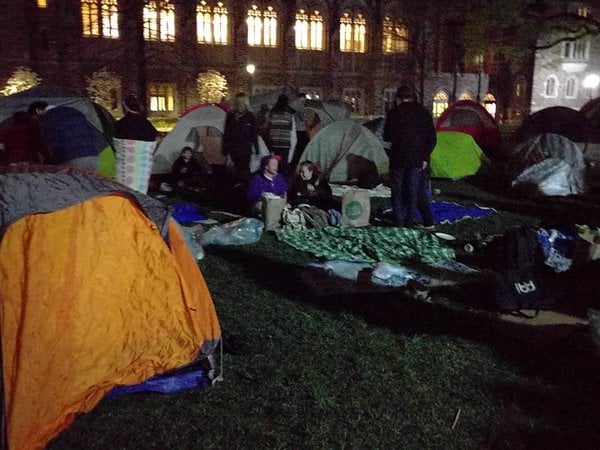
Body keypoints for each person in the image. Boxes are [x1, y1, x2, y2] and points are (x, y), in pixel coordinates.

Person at [383, 85, 436, 229]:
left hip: (398, 158)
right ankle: (409, 221)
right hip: (417, 159)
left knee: (397, 190)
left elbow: (387, 136)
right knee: (413, 191)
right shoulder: (423, 113)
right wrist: (425, 157)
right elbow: (432, 138)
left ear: (398, 99)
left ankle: (398, 221)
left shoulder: (394, 113)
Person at [37, 104, 105, 172]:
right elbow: (91, 132)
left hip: (71, 158)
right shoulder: (74, 112)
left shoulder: (48, 118)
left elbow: (51, 140)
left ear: (38, 111)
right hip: (93, 156)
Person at [223, 92, 258, 182]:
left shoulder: (249, 115)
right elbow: (227, 133)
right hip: (238, 148)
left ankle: (242, 188)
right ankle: (241, 189)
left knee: (242, 170)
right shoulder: (232, 116)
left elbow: (253, 133)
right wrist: (226, 151)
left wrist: (257, 149)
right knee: (240, 170)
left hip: (241, 148)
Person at [267, 94, 296, 175]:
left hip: (275, 141)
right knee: (284, 163)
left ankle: (275, 178)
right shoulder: (288, 114)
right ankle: (283, 180)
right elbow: (290, 127)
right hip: (285, 142)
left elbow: (269, 125)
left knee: (276, 161)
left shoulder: (272, 112)